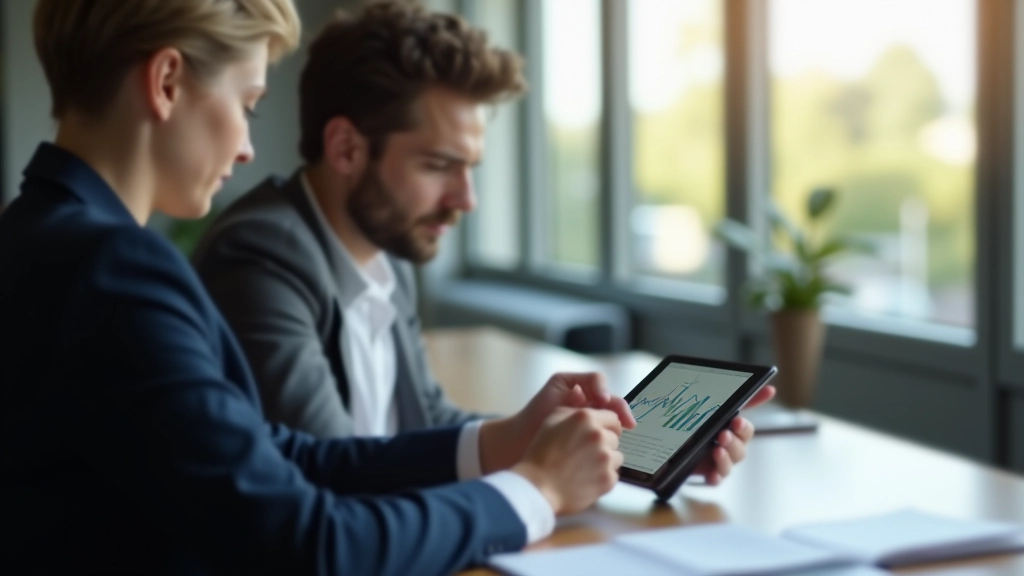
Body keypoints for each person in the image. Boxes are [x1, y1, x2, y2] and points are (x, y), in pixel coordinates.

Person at [0, 1, 640, 574]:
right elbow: (308, 542)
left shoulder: (41, 234)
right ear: (167, 83)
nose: (250, 147)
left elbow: (283, 457)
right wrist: (538, 490)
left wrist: (513, 443)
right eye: (247, 104)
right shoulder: (116, 268)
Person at [191, 1, 773, 489]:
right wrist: (537, 480)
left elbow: (419, 424)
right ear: (345, 148)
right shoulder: (264, 256)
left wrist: (569, 439)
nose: (465, 199)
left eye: (469, 168)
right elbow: (332, 473)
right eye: (439, 166)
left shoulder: (383, 251)